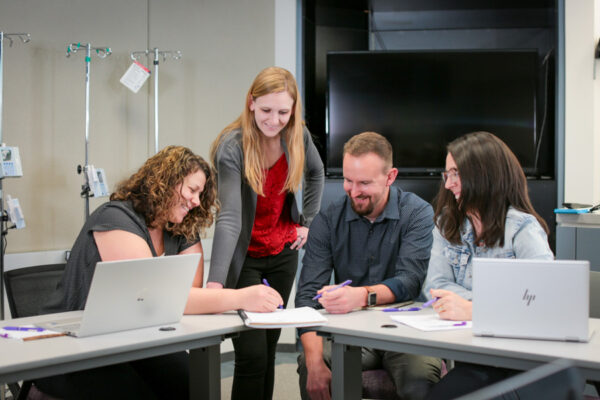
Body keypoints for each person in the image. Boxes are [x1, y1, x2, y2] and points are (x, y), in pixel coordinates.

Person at [36, 146, 283, 400]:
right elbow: (159, 298)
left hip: (135, 339)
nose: (196, 201)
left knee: (193, 387)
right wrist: (241, 297)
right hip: (73, 347)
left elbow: (188, 295)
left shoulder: (178, 227)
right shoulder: (116, 218)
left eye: (200, 194)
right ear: (165, 183)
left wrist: (193, 296)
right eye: (192, 190)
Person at [296, 131, 442, 400]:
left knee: (419, 380)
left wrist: (361, 296)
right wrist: (315, 363)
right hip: (351, 333)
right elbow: (307, 296)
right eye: (348, 180)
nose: (354, 191)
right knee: (311, 365)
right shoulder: (327, 221)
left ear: (390, 177)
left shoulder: (417, 213)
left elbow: (410, 281)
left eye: (364, 183)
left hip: (406, 333)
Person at [207, 66, 324, 399]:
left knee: (269, 348)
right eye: (266, 110)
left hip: (283, 254)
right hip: (246, 260)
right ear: (251, 103)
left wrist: (307, 220)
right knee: (252, 354)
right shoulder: (231, 146)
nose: (274, 120)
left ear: (293, 109)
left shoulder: (296, 136)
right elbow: (229, 217)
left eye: (283, 112)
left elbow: (317, 173)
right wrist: (216, 283)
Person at [422, 131, 554, 399]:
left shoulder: (522, 228)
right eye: (447, 174)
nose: (449, 184)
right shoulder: (447, 224)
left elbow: (544, 303)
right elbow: (435, 287)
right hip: (478, 359)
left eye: (456, 174)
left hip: (524, 366)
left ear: (483, 175)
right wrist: (502, 304)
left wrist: (473, 309)